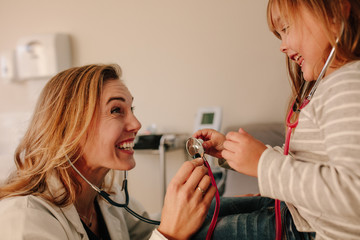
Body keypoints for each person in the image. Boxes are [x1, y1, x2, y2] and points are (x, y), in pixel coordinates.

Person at [192, 0, 360, 239]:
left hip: (310, 230)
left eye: (286, 28)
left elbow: (353, 193)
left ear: (335, 15)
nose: (282, 46)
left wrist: (263, 163)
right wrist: (232, 153)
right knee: (200, 215)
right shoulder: (329, 87)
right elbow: (306, 164)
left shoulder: (349, 86)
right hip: (299, 213)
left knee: (196, 232)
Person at [0, 64, 216, 240]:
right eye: (116, 110)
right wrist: (170, 236)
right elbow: (164, 233)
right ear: (70, 127)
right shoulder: (24, 219)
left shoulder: (108, 197)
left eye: (131, 109)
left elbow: (147, 231)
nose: (136, 123)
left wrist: (220, 206)